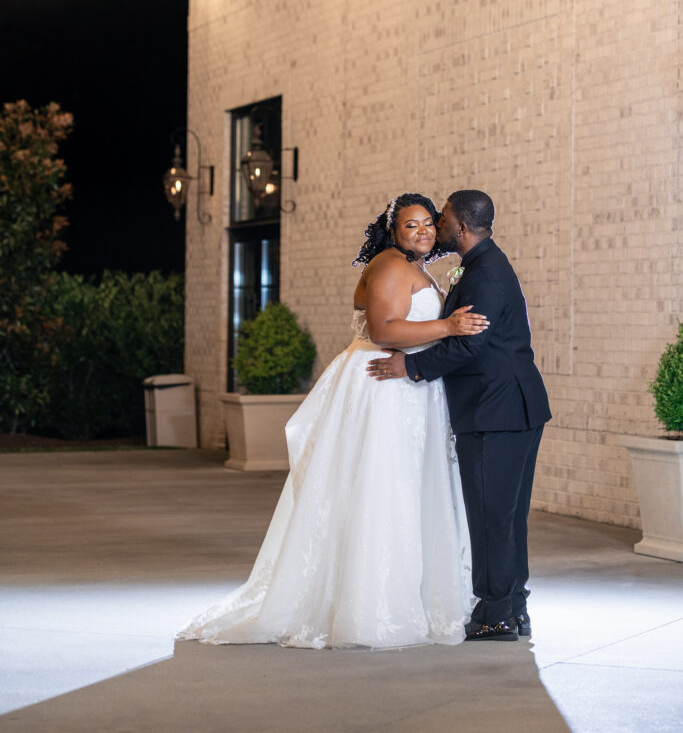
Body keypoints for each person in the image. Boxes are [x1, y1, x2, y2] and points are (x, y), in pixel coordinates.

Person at [176, 192, 488, 650]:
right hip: (384, 390)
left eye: (427, 224)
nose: (422, 232)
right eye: (410, 226)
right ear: (391, 231)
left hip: (407, 390)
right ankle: (370, 608)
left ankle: (407, 596)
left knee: (400, 490)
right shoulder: (388, 264)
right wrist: (447, 327)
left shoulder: (412, 267)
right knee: (382, 490)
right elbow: (383, 330)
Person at [368, 190, 551, 642]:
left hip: (496, 410)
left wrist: (409, 366)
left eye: (443, 218)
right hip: (512, 407)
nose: (436, 224)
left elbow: (471, 343)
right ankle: (512, 606)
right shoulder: (482, 265)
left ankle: (495, 615)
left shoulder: (484, 274)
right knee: (506, 518)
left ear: (462, 228)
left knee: (491, 517)